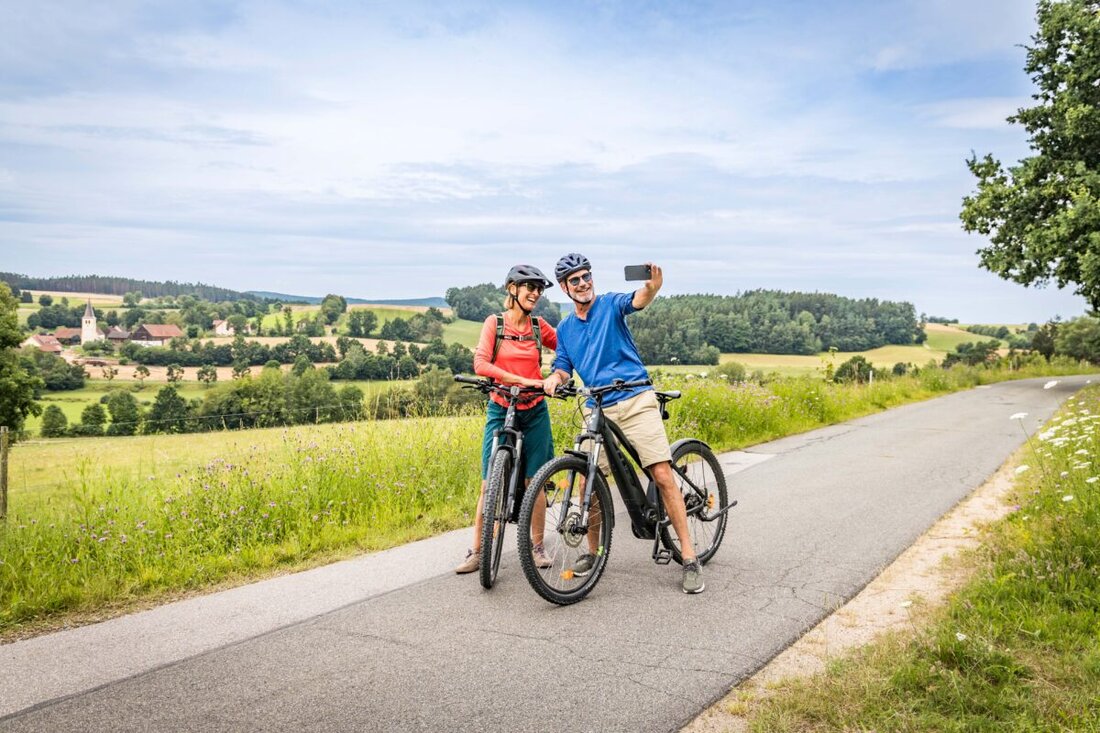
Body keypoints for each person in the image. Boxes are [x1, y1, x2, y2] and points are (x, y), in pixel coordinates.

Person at [542, 253, 705, 594]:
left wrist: (652, 287)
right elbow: (562, 365)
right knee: (589, 477)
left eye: (587, 276)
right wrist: (554, 379)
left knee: (661, 473)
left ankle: (689, 557)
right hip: (596, 405)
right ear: (564, 288)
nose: (584, 283)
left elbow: (638, 300)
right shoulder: (566, 329)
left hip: (634, 398)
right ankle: (592, 551)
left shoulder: (611, 304)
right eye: (575, 280)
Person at [455, 264, 559, 574]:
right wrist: (518, 379)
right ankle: (478, 550)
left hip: (535, 410)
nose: (536, 293)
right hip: (501, 407)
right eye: (531, 287)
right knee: (489, 485)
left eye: (539, 289)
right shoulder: (495, 324)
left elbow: (567, 350)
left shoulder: (539, 327)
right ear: (512, 288)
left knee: (535, 481)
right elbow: (481, 363)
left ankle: (537, 546)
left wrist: (557, 375)